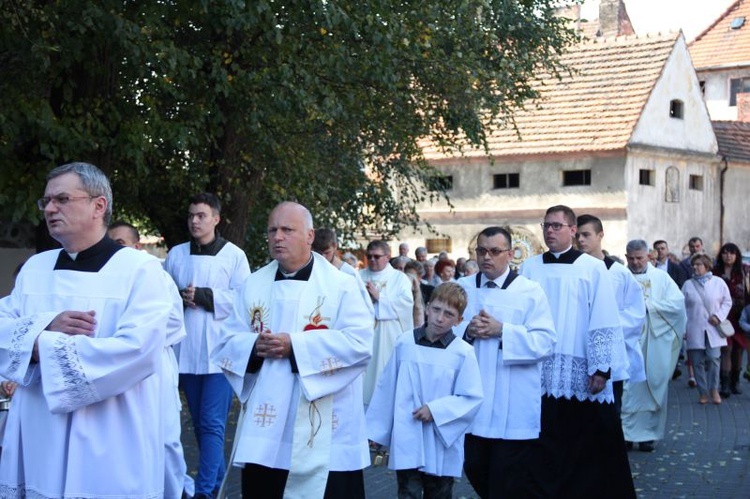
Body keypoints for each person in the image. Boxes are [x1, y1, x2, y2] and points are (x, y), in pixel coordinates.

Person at [0, 162, 173, 497]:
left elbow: (138, 350)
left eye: (62, 198)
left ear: (99, 205)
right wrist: (42, 329)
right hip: (40, 434)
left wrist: (42, 344)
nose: (50, 208)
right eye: (46, 201)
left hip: (110, 434)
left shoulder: (142, 271)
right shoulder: (35, 269)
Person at [210, 201, 373, 498]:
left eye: (287, 230)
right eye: (272, 230)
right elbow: (225, 341)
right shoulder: (253, 284)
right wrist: (254, 347)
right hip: (268, 423)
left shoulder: (342, 286)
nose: (278, 237)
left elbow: (360, 343)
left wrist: (295, 346)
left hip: (324, 422)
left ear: (310, 236)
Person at [519, 205, 635, 498]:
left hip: (579, 366)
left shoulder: (593, 268)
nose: (550, 231)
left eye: (557, 226)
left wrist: (601, 367)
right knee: (542, 439)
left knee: (583, 440)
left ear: (572, 230)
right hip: (538, 365)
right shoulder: (529, 267)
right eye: (546, 225)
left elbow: (604, 318)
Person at [164, 192, 251, 499]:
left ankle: (204, 493)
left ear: (216, 218)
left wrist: (203, 295)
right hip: (185, 352)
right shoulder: (175, 254)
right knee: (200, 424)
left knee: (213, 423)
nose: (194, 221)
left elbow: (246, 301)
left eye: (201, 215)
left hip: (218, 353)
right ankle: (216, 486)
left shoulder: (234, 256)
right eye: (191, 216)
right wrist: (179, 296)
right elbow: (161, 296)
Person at [458, 226, 556, 498]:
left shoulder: (529, 291)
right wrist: (466, 331)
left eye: (495, 251)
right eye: (481, 251)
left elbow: (546, 341)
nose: (486, 257)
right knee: (474, 467)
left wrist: (502, 330)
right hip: (473, 398)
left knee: (506, 477)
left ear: (511, 254)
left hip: (511, 399)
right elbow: (439, 330)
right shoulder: (461, 289)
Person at [366, 282, 483, 499]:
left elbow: (471, 398)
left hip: (440, 438)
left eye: (449, 314)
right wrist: (377, 431)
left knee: (439, 492)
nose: (440, 318)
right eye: (436, 310)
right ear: (427, 307)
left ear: (459, 320)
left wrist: (436, 410)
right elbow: (387, 387)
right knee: (407, 491)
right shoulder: (405, 343)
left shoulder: (462, 353)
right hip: (407, 432)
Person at [108, 221, 194, 498]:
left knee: (166, 440)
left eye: (120, 243)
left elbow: (173, 323)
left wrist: (134, 332)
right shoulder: (109, 278)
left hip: (155, 365)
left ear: (136, 247)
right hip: (120, 370)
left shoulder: (157, 276)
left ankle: (173, 491)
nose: (115, 249)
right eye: (111, 243)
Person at [621, 239, 687, 452]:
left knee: (652, 385)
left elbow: (677, 305)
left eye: (639, 258)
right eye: (631, 258)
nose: (635, 262)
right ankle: (625, 434)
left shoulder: (661, 278)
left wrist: (649, 306)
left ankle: (648, 435)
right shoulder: (619, 277)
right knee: (626, 388)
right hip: (626, 343)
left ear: (648, 256)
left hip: (653, 340)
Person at [576, 215, 646, 415]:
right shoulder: (573, 271)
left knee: (608, 415)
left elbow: (635, 315)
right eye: (577, 235)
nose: (580, 240)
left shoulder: (618, 274)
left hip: (609, 354)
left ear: (600, 235)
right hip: (578, 352)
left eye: (586, 235)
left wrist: (601, 329)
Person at [361, 240, 414, 405]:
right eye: (369, 256)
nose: (372, 260)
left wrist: (379, 298)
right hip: (363, 336)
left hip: (388, 338)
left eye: (377, 256)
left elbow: (406, 304)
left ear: (388, 256)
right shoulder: (358, 276)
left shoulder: (399, 278)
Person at [682, 253, 732, 404]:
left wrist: (719, 316)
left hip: (713, 328)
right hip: (694, 328)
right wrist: (683, 329)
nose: (695, 267)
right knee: (697, 362)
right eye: (694, 265)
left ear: (707, 266)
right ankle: (703, 393)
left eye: (699, 264)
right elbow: (681, 309)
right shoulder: (687, 285)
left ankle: (714, 390)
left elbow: (727, 302)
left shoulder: (718, 282)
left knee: (714, 359)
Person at [713, 243, 749, 397]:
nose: (728, 256)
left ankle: (736, 382)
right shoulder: (715, 272)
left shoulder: (744, 271)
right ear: (721, 255)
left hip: (740, 315)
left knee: (738, 350)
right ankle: (725, 384)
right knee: (725, 349)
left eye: (732, 253)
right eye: (725, 253)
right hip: (723, 316)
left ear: (736, 255)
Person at [312, 228, 372, 314]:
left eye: (327, 253)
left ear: (335, 246)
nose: (323, 258)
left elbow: (364, 306)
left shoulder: (349, 272)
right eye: (319, 253)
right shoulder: (312, 270)